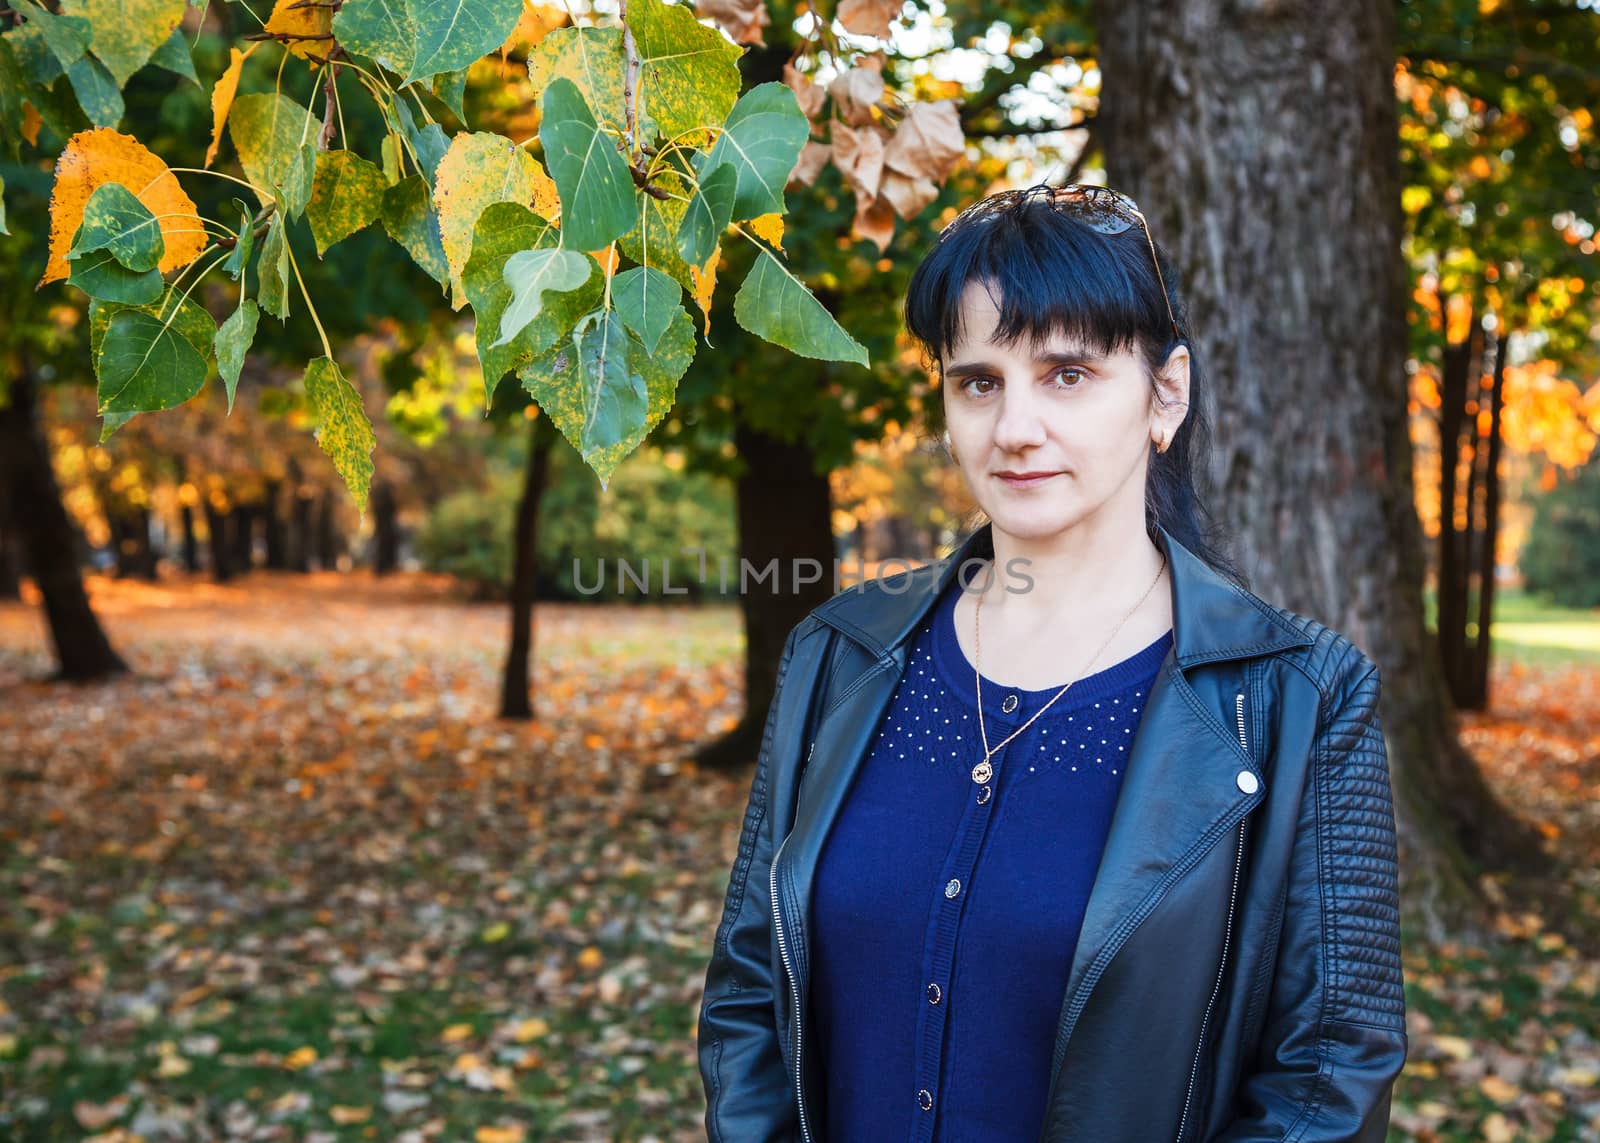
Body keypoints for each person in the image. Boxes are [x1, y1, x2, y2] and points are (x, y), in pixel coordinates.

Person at [696, 181, 1406, 1143]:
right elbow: (749, 995)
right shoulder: (842, 653)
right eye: (978, 380)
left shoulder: (1298, 697)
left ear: (1167, 395)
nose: (1015, 427)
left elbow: (1328, 1076)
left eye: (1067, 373)